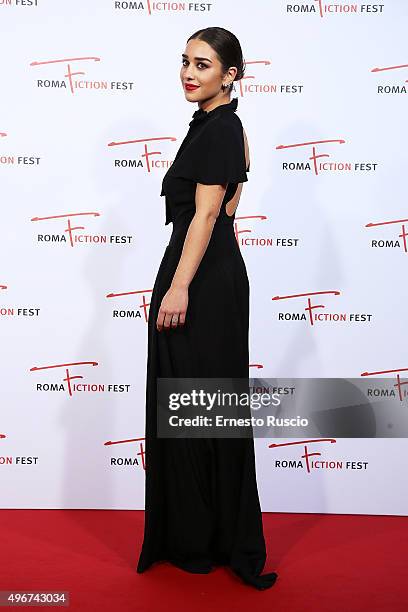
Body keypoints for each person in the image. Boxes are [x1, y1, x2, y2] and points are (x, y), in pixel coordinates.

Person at [136, 27, 278, 590]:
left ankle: (203, 541)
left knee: (195, 403)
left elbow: (206, 216)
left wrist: (178, 287)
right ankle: (199, 537)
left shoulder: (222, 129)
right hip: (210, 274)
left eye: (203, 64)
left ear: (230, 75)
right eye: (185, 62)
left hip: (200, 279)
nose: (189, 73)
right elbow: (226, 203)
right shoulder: (219, 127)